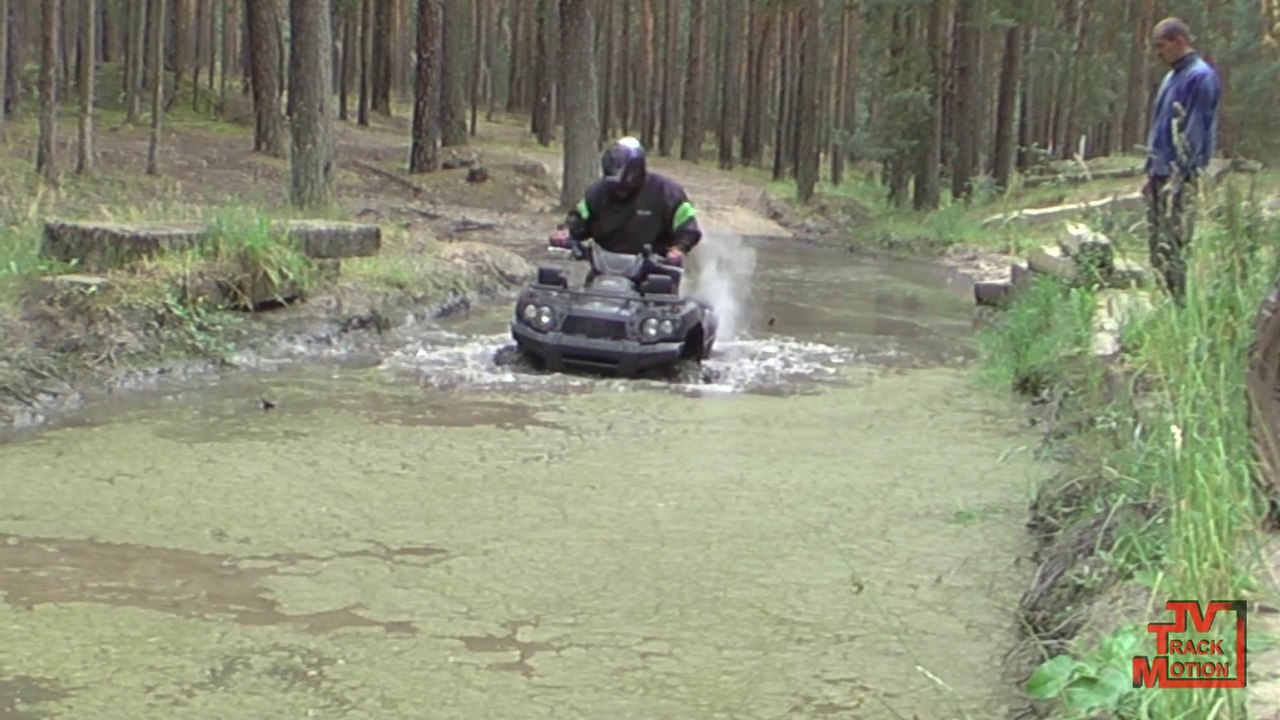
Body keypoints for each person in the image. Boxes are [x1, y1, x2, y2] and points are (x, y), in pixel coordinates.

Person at [1142, 17, 1222, 304]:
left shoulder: (1200, 77)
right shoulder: (1170, 77)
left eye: (1161, 46)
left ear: (1179, 41)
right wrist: (1150, 172)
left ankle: (1178, 306)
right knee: (1157, 247)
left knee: (1175, 245)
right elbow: (1160, 128)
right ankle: (1163, 303)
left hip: (1178, 179)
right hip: (1158, 173)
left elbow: (1195, 134)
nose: (1157, 53)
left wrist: (1179, 179)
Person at [550, 136, 702, 267]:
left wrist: (679, 248)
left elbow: (687, 223)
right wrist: (566, 232)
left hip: (654, 267)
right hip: (605, 267)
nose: (619, 187)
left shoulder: (666, 192)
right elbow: (580, 216)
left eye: (627, 176)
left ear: (637, 169)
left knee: (661, 289)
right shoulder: (598, 191)